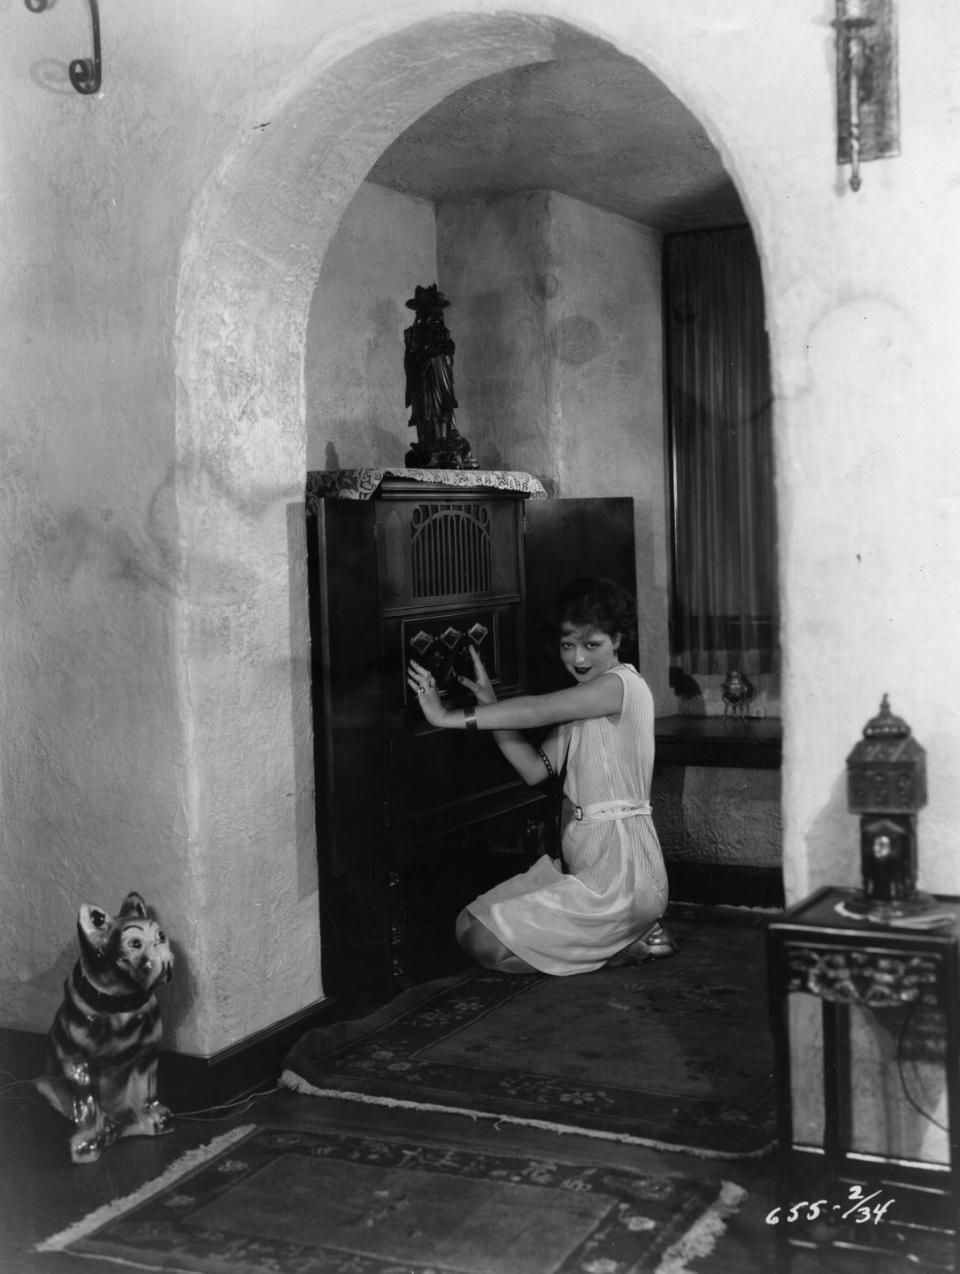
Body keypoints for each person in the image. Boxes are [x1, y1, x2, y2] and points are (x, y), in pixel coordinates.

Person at [407, 577, 677, 975]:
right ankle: (627, 939)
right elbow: (535, 770)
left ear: (618, 640)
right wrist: (490, 705)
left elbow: (537, 711)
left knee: (484, 944)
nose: (579, 659)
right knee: (466, 923)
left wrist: (445, 717)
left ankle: (627, 945)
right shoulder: (583, 706)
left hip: (625, 879)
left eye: (592, 645)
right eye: (569, 645)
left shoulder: (622, 685)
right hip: (588, 869)